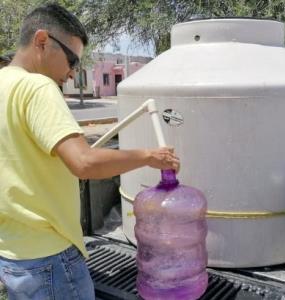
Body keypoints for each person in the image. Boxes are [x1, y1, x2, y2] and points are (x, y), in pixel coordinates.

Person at [0, 3, 179, 300]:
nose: (72, 74)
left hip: (13, 254)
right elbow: (84, 163)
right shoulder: (37, 87)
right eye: (71, 60)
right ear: (42, 41)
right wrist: (150, 156)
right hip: (51, 258)